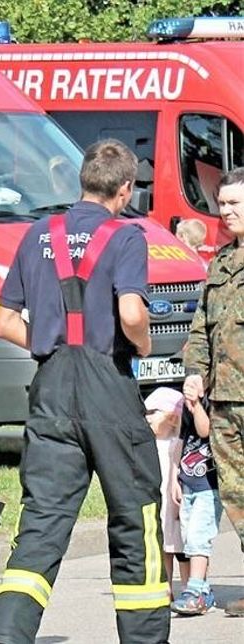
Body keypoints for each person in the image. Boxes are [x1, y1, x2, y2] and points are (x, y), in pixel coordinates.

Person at [0, 139, 169, 643]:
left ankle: (7, 637)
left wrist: (50, 342)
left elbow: (4, 322)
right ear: (126, 188)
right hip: (106, 383)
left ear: (83, 180)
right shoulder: (128, 236)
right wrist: (143, 342)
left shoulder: (38, 232)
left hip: (50, 388)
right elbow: (132, 312)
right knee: (136, 519)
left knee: (41, 527)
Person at [182, 166, 244, 618]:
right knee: (237, 495)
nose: (226, 212)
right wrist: (193, 373)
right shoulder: (221, 263)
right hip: (224, 402)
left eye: (235, 203)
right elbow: (202, 328)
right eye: (222, 204)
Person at [170, 388, 221, 616]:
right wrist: (174, 479)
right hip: (188, 483)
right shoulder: (187, 406)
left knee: (198, 537)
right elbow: (180, 443)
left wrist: (197, 405)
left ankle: (195, 590)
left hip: (209, 486)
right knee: (189, 538)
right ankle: (204, 590)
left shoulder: (214, 401)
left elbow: (205, 429)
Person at [143, 387, 188, 596]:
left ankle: (191, 586)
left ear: (172, 417)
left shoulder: (177, 443)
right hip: (160, 505)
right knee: (163, 548)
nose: (147, 417)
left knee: (184, 549)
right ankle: (166, 587)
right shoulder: (148, 444)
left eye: (153, 412)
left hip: (177, 505)